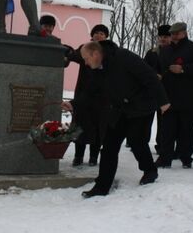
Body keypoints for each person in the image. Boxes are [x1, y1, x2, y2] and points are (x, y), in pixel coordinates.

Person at [63, 41, 170, 198]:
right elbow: (91, 92)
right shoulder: (96, 68)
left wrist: (163, 101)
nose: (85, 63)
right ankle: (102, 186)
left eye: (86, 58)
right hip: (119, 108)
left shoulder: (123, 57)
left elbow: (150, 77)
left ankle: (150, 170)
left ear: (95, 54)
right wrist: (73, 104)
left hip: (141, 105)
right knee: (109, 146)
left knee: (137, 141)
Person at [155, 22, 193, 169]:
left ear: (184, 33)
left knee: (187, 130)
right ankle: (165, 158)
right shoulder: (165, 51)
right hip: (169, 96)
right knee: (167, 130)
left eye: (176, 34)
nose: (174, 37)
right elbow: (160, 69)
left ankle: (186, 157)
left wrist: (184, 69)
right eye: (172, 34)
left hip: (188, 96)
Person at [67, 24, 112, 167]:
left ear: (106, 37)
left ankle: (94, 156)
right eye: (96, 33)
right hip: (83, 96)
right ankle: (78, 156)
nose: (99, 35)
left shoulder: (107, 52)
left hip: (102, 97)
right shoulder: (84, 48)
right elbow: (73, 55)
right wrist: (65, 51)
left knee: (98, 127)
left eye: (102, 33)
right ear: (92, 35)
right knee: (80, 127)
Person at [143, 24, 171, 153]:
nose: (163, 39)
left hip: (167, 91)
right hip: (151, 92)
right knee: (145, 119)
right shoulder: (152, 52)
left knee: (164, 122)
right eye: (161, 36)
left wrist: (162, 76)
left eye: (166, 36)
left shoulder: (173, 52)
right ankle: (141, 142)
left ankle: (162, 145)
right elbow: (144, 68)